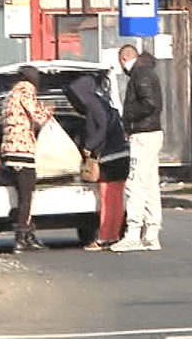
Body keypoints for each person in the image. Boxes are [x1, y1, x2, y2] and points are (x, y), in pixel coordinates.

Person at [110, 44, 164, 253]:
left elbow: (150, 103)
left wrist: (128, 116)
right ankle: (151, 234)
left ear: (124, 59)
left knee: (135, 184)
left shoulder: (139, 74)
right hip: (150, 133)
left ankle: (133, 233)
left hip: (143, 134)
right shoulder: (146, 71)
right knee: (149, 184)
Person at [65, 75, 127, 251]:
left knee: (107, 199)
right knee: (116, 199)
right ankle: (113, 236)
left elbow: (101, 128)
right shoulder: (103, 104)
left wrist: (88, 147)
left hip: (110, 157)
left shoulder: (94, 106)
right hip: (120, 156)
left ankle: (105, 238)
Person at [1, 65, 53, 252]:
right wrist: (49, 111)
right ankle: (22, 237)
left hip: (10, 151)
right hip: (22, 151)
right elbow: (38, 117)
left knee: (23, 195)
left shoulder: (10, 95)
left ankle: (28, 234)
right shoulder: (26, 90)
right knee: (26, 197)